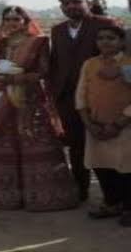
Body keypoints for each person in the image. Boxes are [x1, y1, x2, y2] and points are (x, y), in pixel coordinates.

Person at [0, 6, 78, 211]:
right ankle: (5, 195)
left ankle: (40, 195)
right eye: (7, 19)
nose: (12, 22)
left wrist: (15, 78)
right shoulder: (3, 42)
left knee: (32, 142)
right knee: (2, 142)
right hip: (3, 98)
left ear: (25, 20)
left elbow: (43, 72)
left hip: (30, 102)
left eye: (16, 18)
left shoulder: (39, 42)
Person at [48, 0, 118, 201]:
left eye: (77, 2)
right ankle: (81, 189)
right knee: (76, 146)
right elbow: (55, 63)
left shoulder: (105, 25)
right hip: (67, 98)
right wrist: (52, 92)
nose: (72, 6)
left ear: (87, 3)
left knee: (104, 145)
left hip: (99, 95)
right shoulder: (58, 30)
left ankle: (114, 197)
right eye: (67, 3)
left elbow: (118, 57)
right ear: (61, 7)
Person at [75, 26, 131, 226]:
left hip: (124, 128)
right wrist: (89, 124)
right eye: (100, 38)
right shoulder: (89, 64)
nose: (105, 42)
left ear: (122, 42)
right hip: (96, 127)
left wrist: (119, 123)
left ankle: (128, 207)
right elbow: (81, 94)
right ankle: (112, 203)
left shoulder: (128, 64)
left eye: (111, 38)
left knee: (125, 169)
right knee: (101, 167)